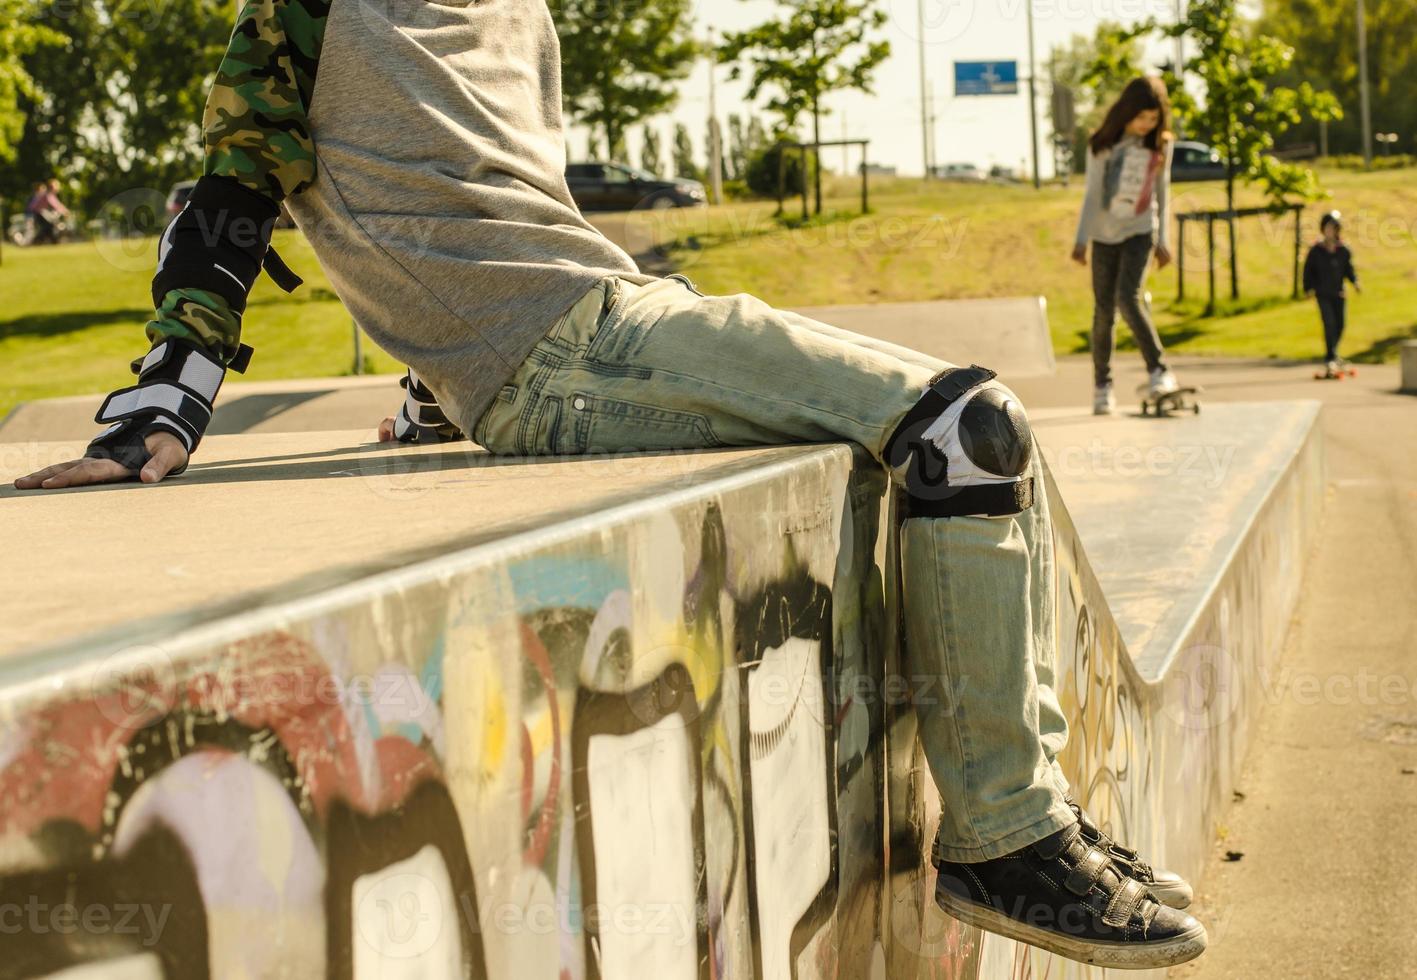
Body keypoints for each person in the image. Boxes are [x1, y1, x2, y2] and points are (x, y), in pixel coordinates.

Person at [14, 0, 1207, 966]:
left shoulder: (525, 19)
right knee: (968, 427)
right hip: (556, 356)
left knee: (965, 428)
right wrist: (164, 402)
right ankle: (1004, 834)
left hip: (606, 317)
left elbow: (490, 195)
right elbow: (229, 197)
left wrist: (427, 391)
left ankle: (1039, 807)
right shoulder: (313, 12)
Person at [1072, 76, 1180, 415]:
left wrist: (1162, 238)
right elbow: (1091, 195)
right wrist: (1081, 240)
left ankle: (1159, 371)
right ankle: (1102, 385)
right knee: (1104, 311)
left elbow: (1162, 191)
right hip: (1104, 235)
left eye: (1153, 120)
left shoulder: (1159, 145)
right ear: (1127, 113)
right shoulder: (1101, 145)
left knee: (1127, 296)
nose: (1146, 126)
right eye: (1141, 119)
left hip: (1140, 230)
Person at [1303, 210, 1360, 376]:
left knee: (1340, 325)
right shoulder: (1316, 251)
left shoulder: (1343, 250)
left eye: (1333, 227)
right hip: (1323, 293)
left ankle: (1333, 354)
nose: (1330, 231)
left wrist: (1355, 282)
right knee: (1329, 323)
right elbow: (1308, 271)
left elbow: (1349, 270)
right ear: (1323, 229)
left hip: (1339, 293)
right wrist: (1308, 288)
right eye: (1327, 227)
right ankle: (1330, 357)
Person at [30, 178, 71, 246]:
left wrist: (64, 210)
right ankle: (38, 242)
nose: (58, 188)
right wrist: (65, 212)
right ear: (52, 187)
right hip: (37, 213)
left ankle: (48, 242)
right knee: (48, 227)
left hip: (41, 212)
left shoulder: (49, 194)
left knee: (48, 227)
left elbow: (57, 204)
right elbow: (56, 205)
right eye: (56, 186)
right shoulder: (48, 195)